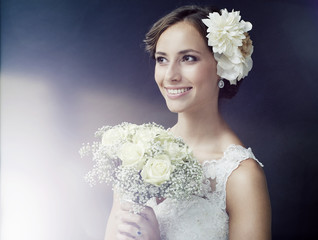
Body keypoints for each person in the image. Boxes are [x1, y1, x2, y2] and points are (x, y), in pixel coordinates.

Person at [104, 5, 271, 240]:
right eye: (162, 59)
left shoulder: (240, 176)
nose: (170, 75)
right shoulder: (138, 154)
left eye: (188, 58)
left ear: (222, 67)